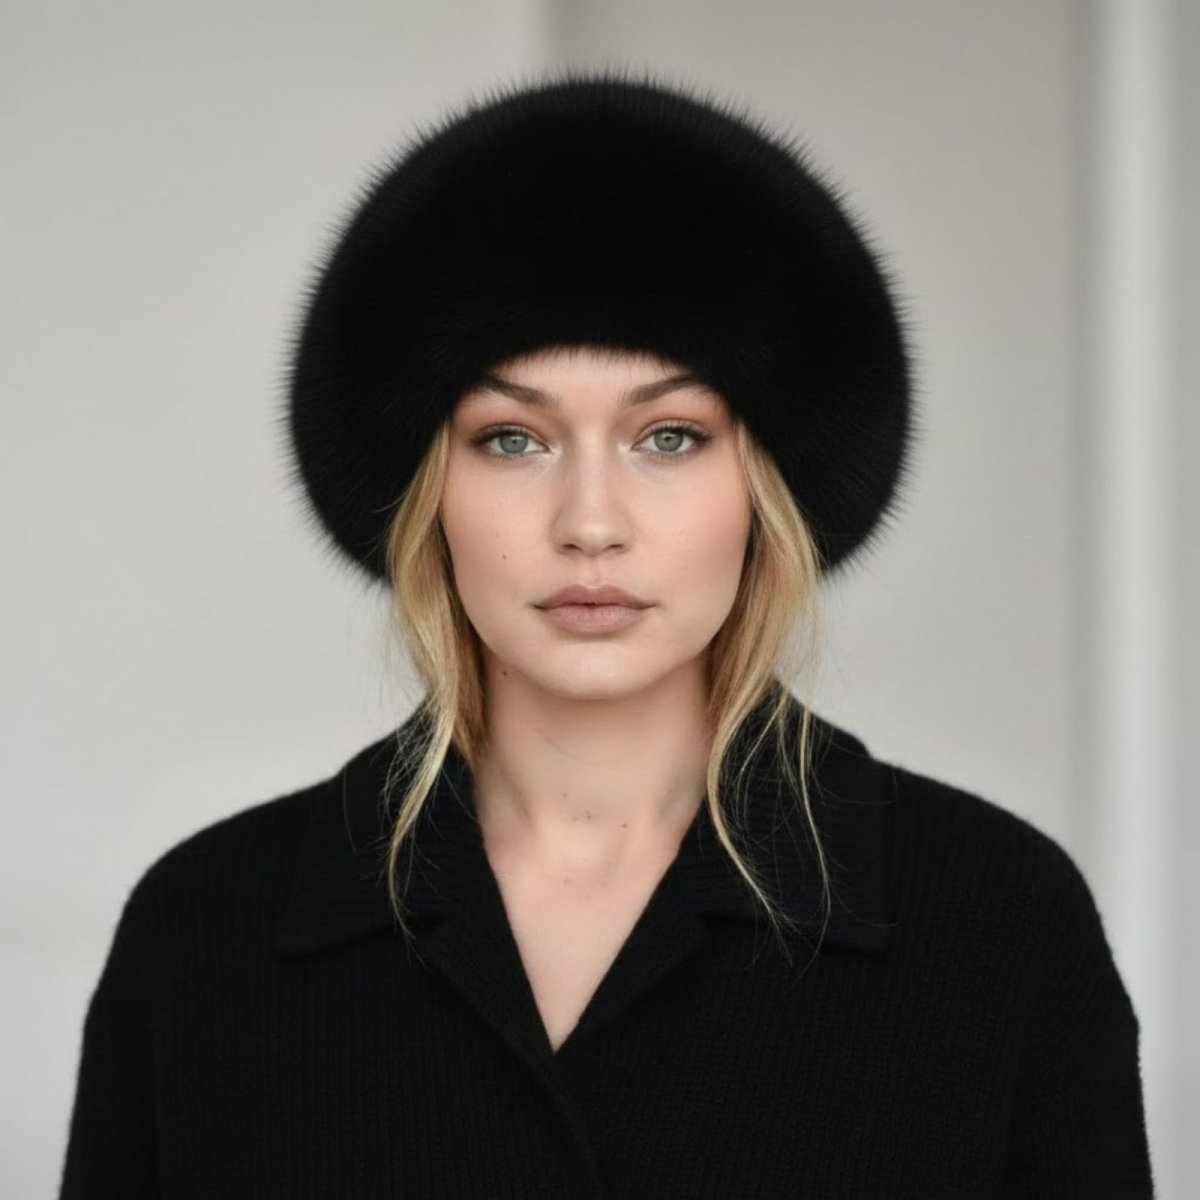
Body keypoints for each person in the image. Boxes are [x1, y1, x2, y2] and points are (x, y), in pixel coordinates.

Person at [59, 71, 1154, 1198]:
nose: (590, 523)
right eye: (512, 440)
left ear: (762, 485)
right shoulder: (211, 931)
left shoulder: (990, 920)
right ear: (426, 489)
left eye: (669, 436)